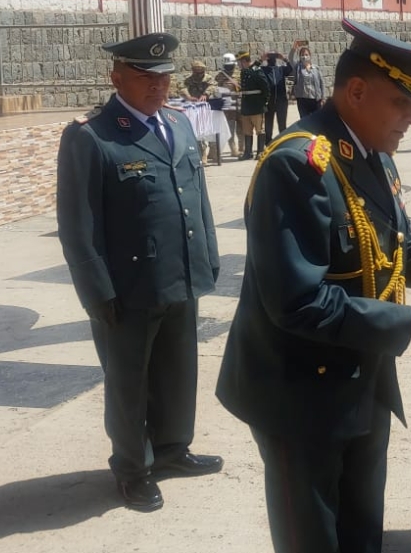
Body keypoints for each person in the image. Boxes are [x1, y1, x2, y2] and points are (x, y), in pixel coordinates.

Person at [216, 19, 411, 553]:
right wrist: (406, 323)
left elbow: (400, 245)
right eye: (402, 103)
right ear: (356, 91)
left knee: (362, 531)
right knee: (314, 538)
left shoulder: (370, 150)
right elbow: (297, 301)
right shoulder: (299, 164)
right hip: (301, 395)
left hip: (364, 375)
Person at [55, 32, 222, 513]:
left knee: (178, 370)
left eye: (164, 77)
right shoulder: (91, 135)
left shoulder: (178, 124)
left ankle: (172, 449)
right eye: (146, 78)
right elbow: (76, 224)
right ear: (117, 78)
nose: (159, 86)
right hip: (126, 289)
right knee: (129, 384)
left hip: (180, 274)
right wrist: (95, 291)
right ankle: (132, 469)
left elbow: (198, 199)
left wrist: (209, 255)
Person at [237, 50, 270, 160]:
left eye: (239, 62)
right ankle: (248, 152)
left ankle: (260, 151)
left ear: (244, 61)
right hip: (246, 105)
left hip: (257, 105)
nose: (238, 65)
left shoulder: (257, 71)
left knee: (259, 129)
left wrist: (264, 101)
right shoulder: (244, 72)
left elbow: (265, 86)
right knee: (247, 130)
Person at [260, 49, 293, 143]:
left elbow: (291, 69)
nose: (272, 59)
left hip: (281, 101)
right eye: (270, 56)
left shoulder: (281, 69)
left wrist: (284, 59)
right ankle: (268, 142)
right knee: (268, 125)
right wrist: (261, 60)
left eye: (274, 56)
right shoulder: (263, 70)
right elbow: (252, 71)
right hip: (268, 101)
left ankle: (283, 142)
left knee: (282, 124)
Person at [215, 52, 242, 159]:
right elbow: (217, 91)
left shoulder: (240, 73)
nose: (230, 67)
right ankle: (233, 149)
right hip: (228, 107)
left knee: (242, 128)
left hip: (240, 104)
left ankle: (242, 148)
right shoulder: (219, 76)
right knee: (230, 129)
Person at [291, 42, 325, 118]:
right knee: (304, 121)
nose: (304, 57)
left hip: (315, 99)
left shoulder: (316, 68)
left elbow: (321, 83)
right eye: (302, 55)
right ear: (300, 57)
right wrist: (294, 49)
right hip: (302, 100)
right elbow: (291, 59)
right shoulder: (298, 67)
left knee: (316, 121)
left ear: (310, 56)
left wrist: (323, 97)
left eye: (306, 55)